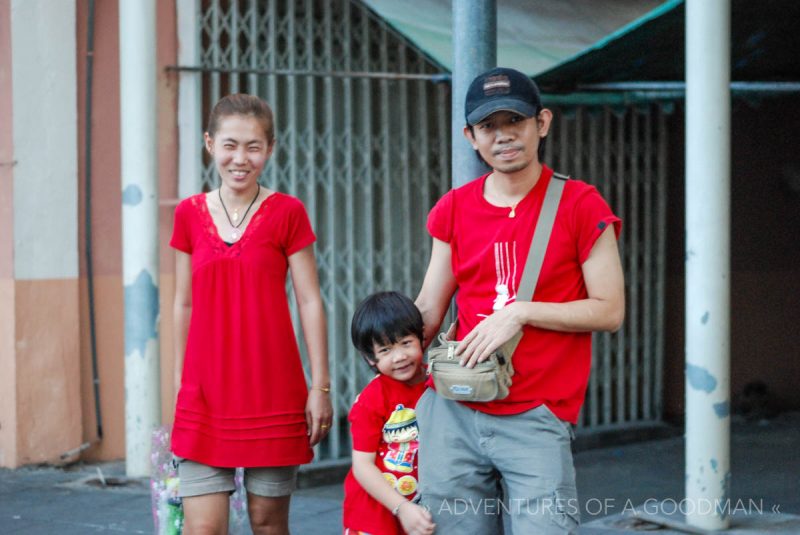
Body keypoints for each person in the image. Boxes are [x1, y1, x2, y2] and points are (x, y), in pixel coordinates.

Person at [414, 67, 625, 534]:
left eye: (516, 121)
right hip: (453, 409)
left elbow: (609, 309)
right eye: (489, 126)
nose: (504, 136)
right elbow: (429, 309)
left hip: (536, 416)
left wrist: (521, 313)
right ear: (470, 136)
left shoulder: (581, 204)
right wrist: (388, 358)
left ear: (542, 123)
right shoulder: (452, 208)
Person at [170, 93, 333, 535]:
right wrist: (179, 384)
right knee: (202, 528)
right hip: (204, 394)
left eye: (253, 147)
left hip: (274, 391)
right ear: (209, 143)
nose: (240, 158)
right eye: (229, 144)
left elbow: (310, 301)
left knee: (267, 523)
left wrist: (319, 386)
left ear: (271, 148)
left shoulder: (288, 213)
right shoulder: (188, 214)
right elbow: (182, 303)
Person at [343, 292, 436, 535]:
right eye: (385, 350)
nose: (399, 356)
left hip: (422, 508)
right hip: (376, 514)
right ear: (370, 359)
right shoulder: (371, 400)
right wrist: (401, 507)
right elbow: (362, 466)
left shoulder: (437, 384)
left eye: (406, 343)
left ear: (421, 337)